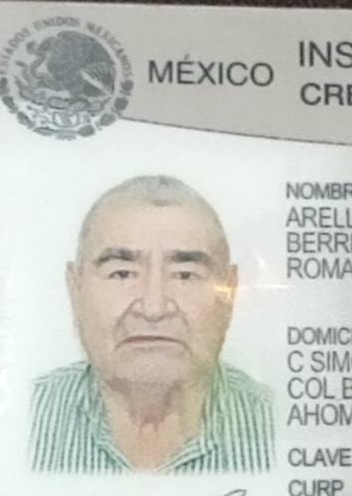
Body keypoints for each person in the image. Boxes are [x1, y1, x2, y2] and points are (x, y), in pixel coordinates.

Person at [31, 175, 274, 472]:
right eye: (122, 274)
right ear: (75, 287)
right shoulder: (19, 420)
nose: (153, 309)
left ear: (230, 292)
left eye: (185, 275)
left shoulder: (281, 428)